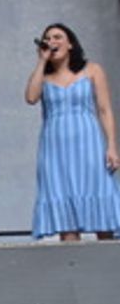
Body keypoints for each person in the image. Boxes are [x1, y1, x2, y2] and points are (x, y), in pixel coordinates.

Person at [25, 23, 120, 240]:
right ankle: (73, 260)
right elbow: (31, 97)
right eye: (48, 38)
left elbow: (104, 109)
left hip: (88, 142)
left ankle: (109, 260)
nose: (52, 41)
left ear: (70, 44)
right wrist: (42, 61)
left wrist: (112, 146)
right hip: (55, 146)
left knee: (98, 192)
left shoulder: (92, 70)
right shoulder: (44, 77)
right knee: (62, 196)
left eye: (58, 37)